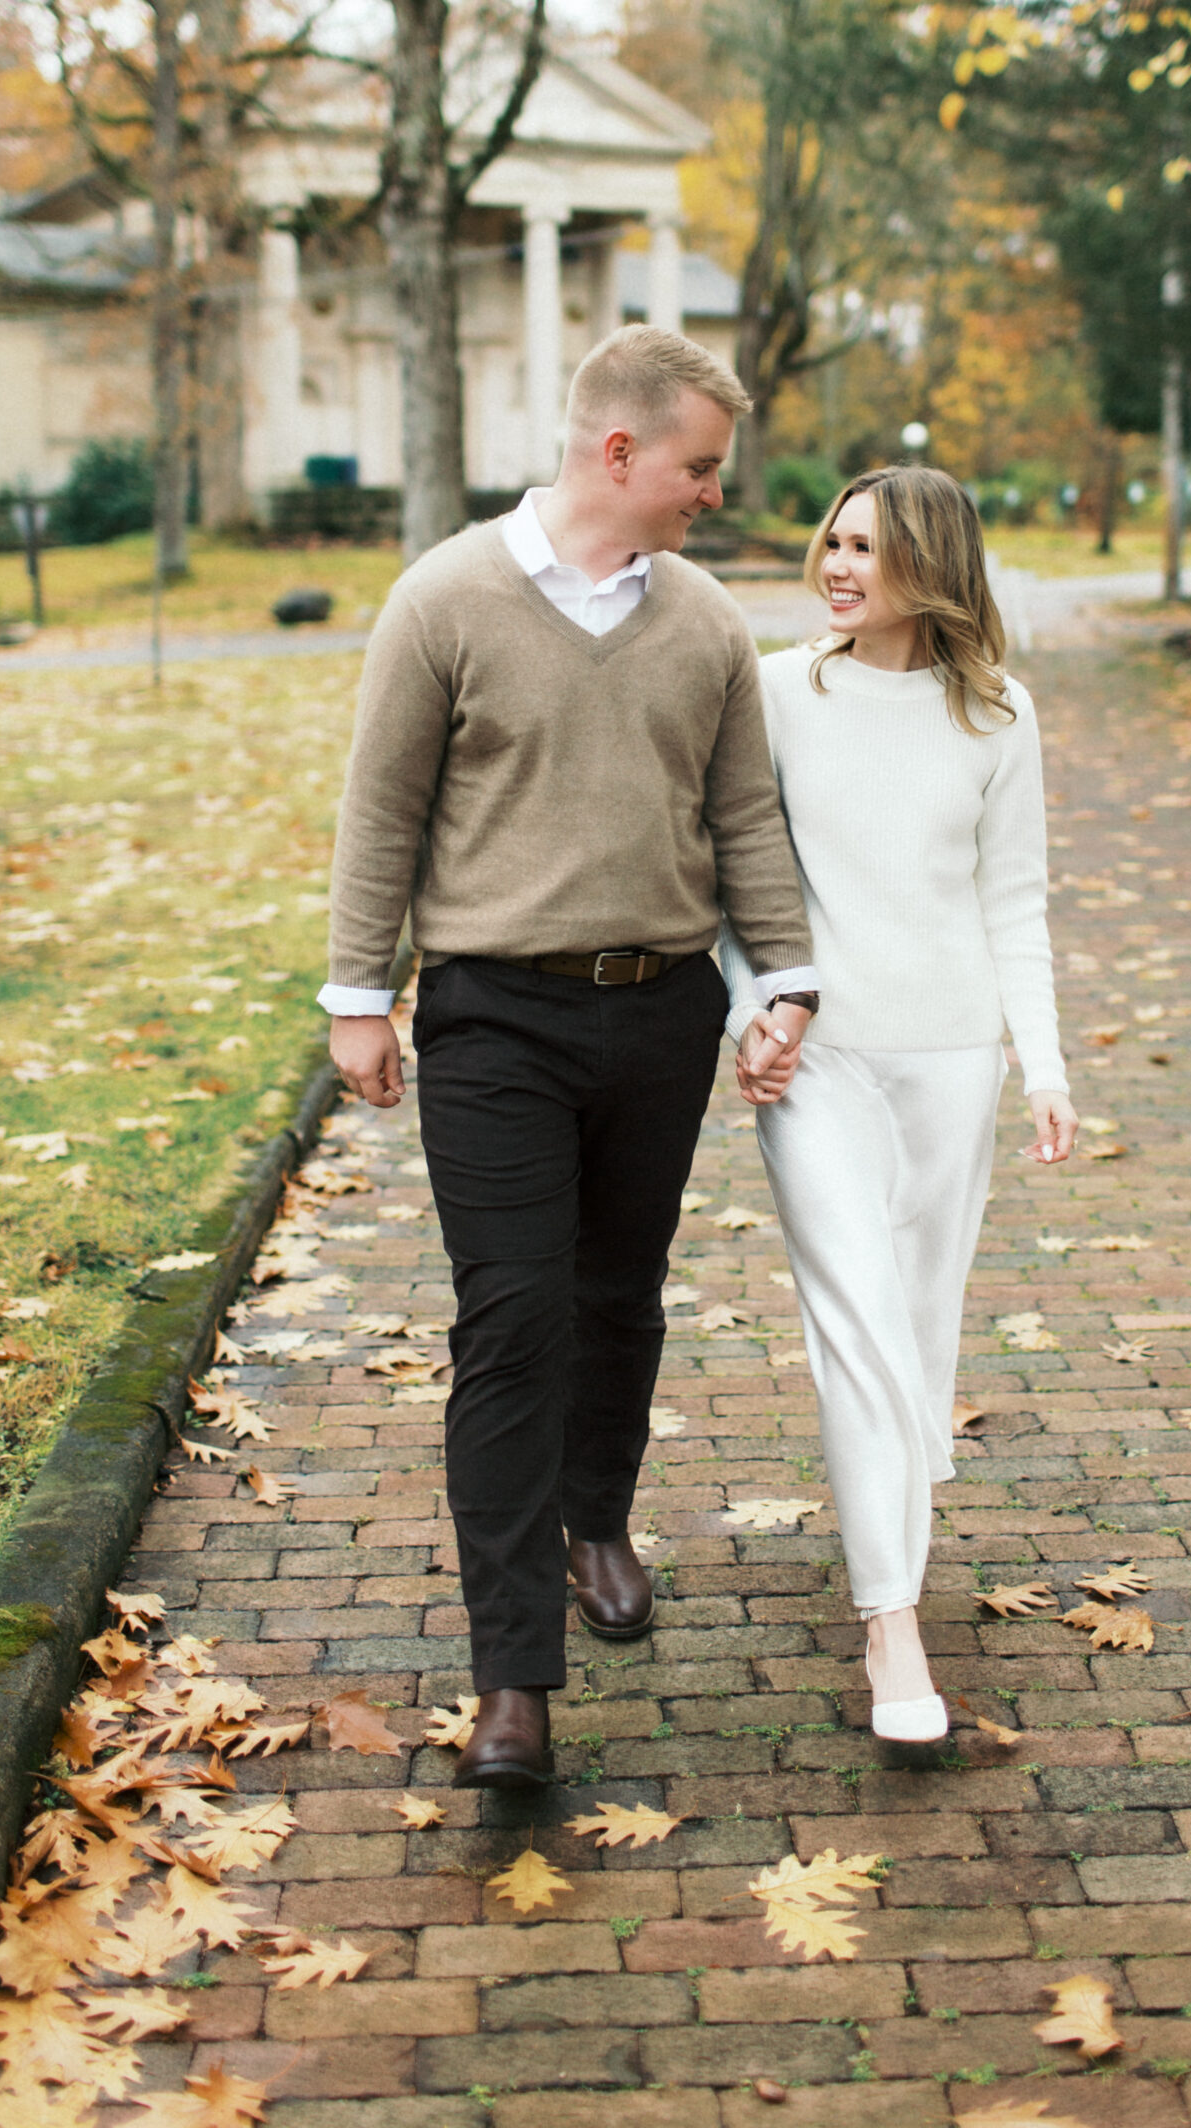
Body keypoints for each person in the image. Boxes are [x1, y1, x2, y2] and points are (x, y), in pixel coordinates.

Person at [322, 326, 820, 1790]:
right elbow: (380, 808)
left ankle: (595, 1516)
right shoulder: (443, 601)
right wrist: (360, 996)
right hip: (495, 1017)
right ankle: (512, 1681)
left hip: (660, 1013)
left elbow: (743, 815)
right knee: (512, 1319)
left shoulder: (706, 622)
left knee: (617, 1295)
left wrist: (785, 978)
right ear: (620, 451)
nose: (714, 492)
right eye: (700, 466)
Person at [721, 466, 1077, 1751]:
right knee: (858, 1322)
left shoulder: (998, 713)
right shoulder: (775, 691)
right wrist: (752, 1010)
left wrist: (1041, 1062)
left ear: (929, 562)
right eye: (832, 540)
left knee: (917, 1326)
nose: (836, 564)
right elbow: (734, 875)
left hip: (950, 1056)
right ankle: (892, 1623)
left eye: (865, 548)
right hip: (820, 1058)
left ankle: (894, 1490)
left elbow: (1012, 897)